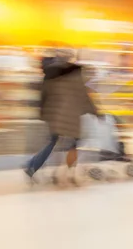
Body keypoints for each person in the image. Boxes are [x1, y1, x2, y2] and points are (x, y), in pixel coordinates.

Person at [24, 49, 99, 185]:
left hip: (54, 115)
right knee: (74, 143)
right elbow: (83, 95)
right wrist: (95, 112)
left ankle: (33, 166)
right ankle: (69, 174)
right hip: (70, 115)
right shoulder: (75, 74)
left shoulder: (50, 72)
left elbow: (44, 94)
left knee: (53, 142)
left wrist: (42, 112)